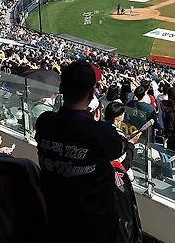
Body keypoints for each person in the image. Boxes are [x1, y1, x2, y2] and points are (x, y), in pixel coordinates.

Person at [35, 61, 140, 242]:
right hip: (94, 227)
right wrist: (129, 144)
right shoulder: (100, 132)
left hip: (56, 220)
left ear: (61, 88)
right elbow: (117, 151)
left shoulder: (45, 121)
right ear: (91, 93)